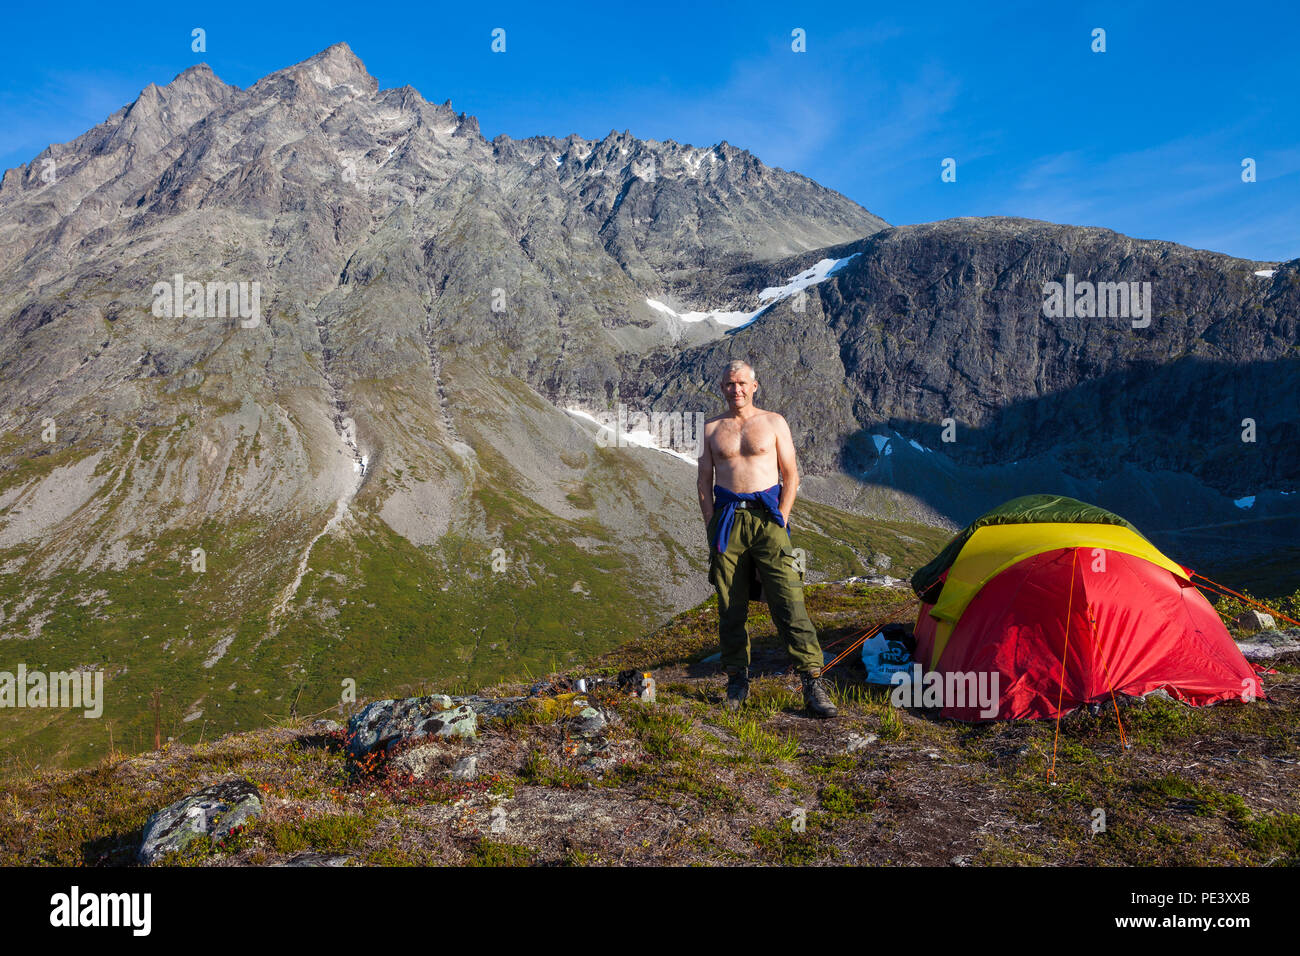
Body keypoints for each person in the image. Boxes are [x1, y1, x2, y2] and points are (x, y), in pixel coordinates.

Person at [697, 360, 838, 718]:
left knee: (788, 598)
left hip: (767, 518)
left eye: (742, 383)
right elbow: (704, 483)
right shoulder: (712, 428)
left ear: (755, 385)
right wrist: (712, 526)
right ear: (722, 387)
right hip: (729, 521)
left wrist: (781, 520)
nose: (736, 390)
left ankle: (812, 681)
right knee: (730, 605)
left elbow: (791, 475)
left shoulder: (774, 422)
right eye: (729, 384)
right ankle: (737, 681)